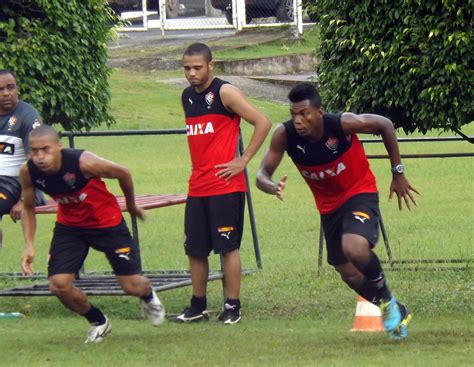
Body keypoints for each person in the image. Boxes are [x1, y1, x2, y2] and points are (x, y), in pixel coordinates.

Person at [256, 83, 420, 339]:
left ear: (319, 111)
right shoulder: (284, 135)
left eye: (304, 114)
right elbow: (261, 174)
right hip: (329, 207)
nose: (298, 120)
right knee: (348, 273)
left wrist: (397, 172)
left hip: (359, 193)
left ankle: (387, 302)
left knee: (354, 247)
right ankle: (396, 308)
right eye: (293, 114)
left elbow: (385, 125)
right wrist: (271, 185)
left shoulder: (342, 125)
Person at [20, 125, 165, 343]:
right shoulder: (28, 171)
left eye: (45, 149)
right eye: (34, 151)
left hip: (107, 224)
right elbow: (28, 207)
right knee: (58, 285)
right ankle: (99, 321)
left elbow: (123, 172)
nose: (39, 156)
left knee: (132, 286)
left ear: (58, 146)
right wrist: (29, 244)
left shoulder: (83, 162)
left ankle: (148, 295)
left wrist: (132, 206)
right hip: (70, 228)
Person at [171, 43, 271, 324]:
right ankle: (198, 306)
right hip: (198, 186)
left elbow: (262, 122)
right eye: (187, 68)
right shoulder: (187, 97)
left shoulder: (225, 92)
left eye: (197, 68)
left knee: (227, 247)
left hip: (226, 186)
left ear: (210, 66)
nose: (191, 73)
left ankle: (232, 306)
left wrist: (244, 159)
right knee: (195, 249)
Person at [0, 69, 45, 249]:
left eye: (10, 87)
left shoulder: (28, 116)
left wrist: (24, 200)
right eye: (0, 89)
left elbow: (36, 164)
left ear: (17, 89)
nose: (6, 93)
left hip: (15, 183)